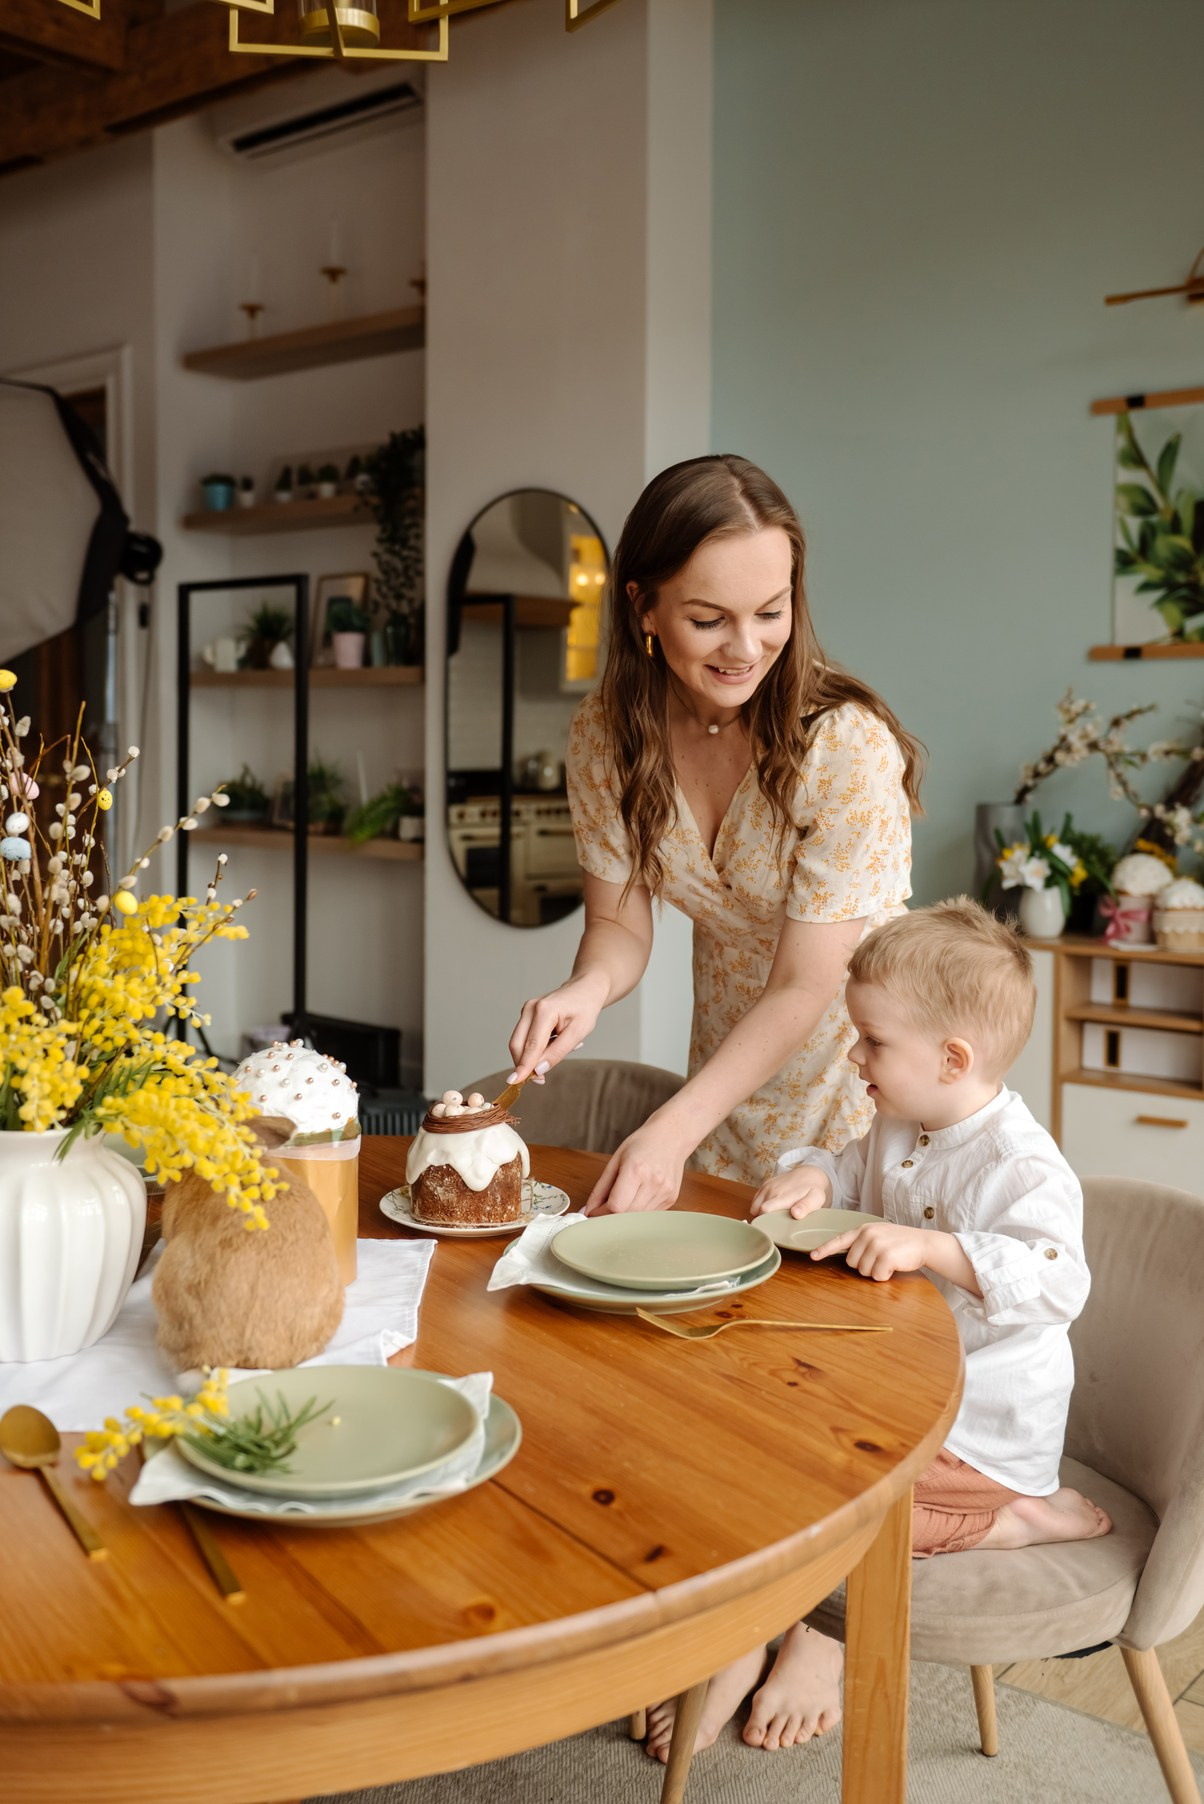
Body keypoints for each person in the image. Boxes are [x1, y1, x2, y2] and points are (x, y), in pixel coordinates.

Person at [646, 898, 1111, 1761]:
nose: (852, 1055)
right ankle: (747, 1631)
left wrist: (936, 1245)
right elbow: (846, 1162)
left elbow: (1061, 1280)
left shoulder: (1022, 1164)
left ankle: (1008, 1520)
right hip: (891, 1392)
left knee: (839, 1510)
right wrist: (815, 1181)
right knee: (752, 1442)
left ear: (953, 1057)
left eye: (871, 1042)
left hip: (977, 1434)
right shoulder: (903, 1119)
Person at [506, 454, 921, 1213]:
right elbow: (616, 921)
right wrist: (587, 988)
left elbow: (806, 982)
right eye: (708, 620)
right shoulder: (608, 736)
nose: (745, 649)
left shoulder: (843, 749)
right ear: (643, 607)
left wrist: (670, 1127)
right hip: (728, 1079)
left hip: (860, 1082)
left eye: (770, 611)